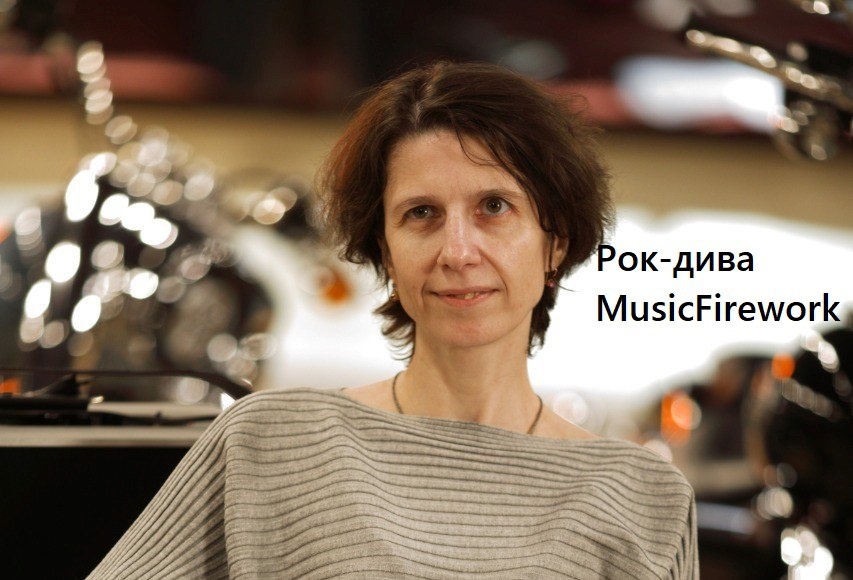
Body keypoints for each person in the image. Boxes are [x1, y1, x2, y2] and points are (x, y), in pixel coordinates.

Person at [89, 61, 698, 579]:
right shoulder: (270, 440)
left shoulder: (643, 494)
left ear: (555, 242)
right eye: (422, 213)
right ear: (384, 250)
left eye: (494, 207)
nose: (457, 251)